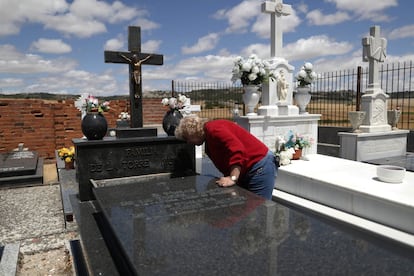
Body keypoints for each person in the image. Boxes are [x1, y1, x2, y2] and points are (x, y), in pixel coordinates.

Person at [175, 116, 277, 200]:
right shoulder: (209, 137)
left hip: (259, 167)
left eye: (186, 138)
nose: (188, 142)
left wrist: (233, 178)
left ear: (192, 132)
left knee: (258, 209)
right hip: (249, 170)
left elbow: (237, 149)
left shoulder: (214, 129)